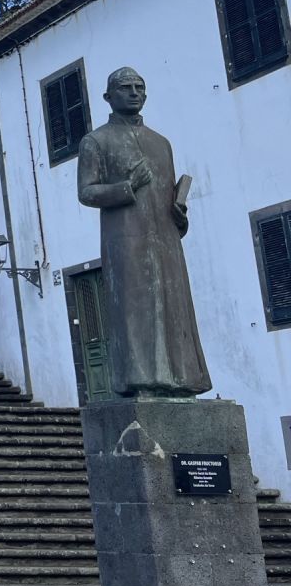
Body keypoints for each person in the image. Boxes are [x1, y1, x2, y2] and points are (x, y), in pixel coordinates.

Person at [76, 67, 211, 397]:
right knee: (135, 313)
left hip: (165, 241)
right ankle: (141, 384)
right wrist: (126, 187)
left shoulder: (161, 143)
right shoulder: (96, 141)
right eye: (125, 87)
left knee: (174, 310)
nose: (134, 92)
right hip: (125, 241)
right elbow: (86, 192)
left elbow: (167, 194)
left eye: (140, 87)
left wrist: (180, 215)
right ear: (109, 96)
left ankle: (181, 382)